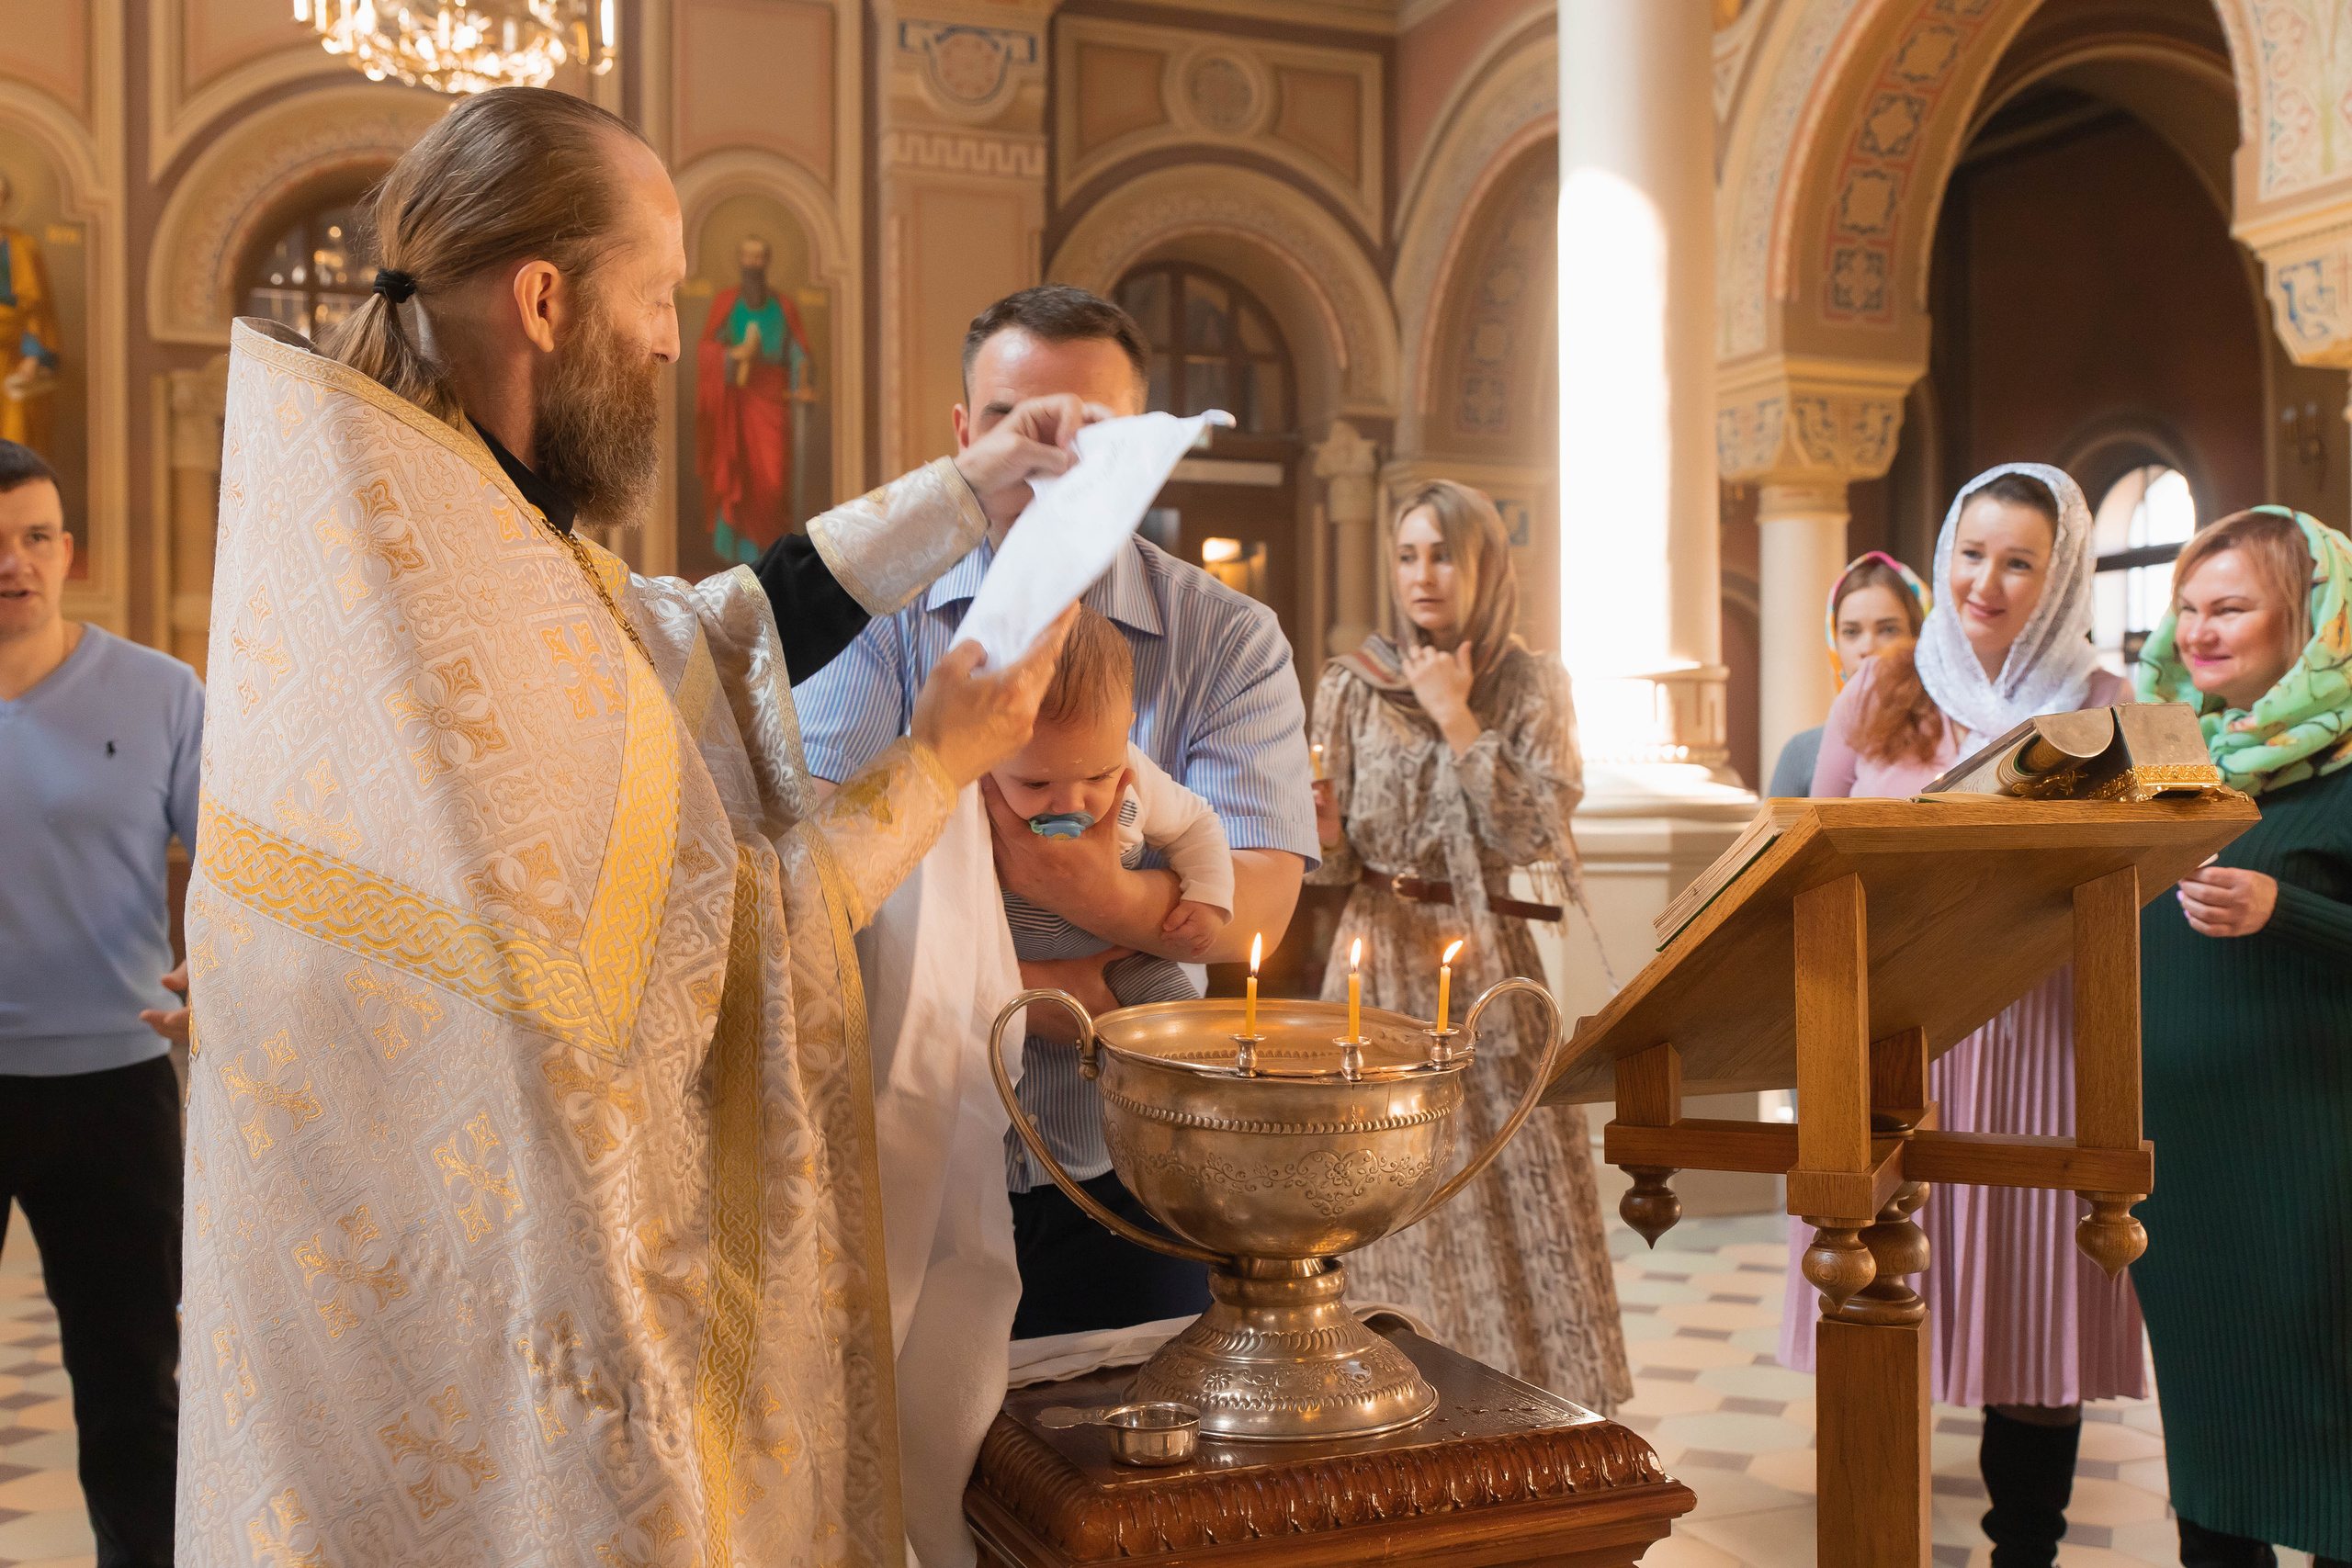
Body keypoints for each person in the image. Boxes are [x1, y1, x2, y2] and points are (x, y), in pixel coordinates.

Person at [178, 86, 1084, 1567]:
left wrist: (969, 490)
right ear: (545, 298)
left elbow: (701, 633)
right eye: (658, 293)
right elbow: (691, 955)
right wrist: (936, 762)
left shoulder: (451, 521)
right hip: (503, 1336)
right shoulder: (433, 576)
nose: (678, 339)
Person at [797, 284, 1317, 1337]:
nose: (1054, 461)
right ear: (965, 434)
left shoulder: (1227, 638)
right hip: (908, 1150)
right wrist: (1045, 985)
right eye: (1014, 424)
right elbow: (820, 883)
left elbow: (1257, 911)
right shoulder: (877, 618)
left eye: (1098, 437)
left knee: (1127, 1468)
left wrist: (1063, 881)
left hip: (1139, 1163)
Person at [1778, 464, 2137, 1566]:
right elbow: (1805, 861)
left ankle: (2021, 1548)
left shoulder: (2103, 702)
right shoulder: (1881, 688)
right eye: (1971, 552)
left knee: (2032, 1311)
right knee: (1878, 1297)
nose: (1986, 580)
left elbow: (2130, 870)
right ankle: (1874, 1537)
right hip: (1897, 1043)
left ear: (2059, 574)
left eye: (2019, 561)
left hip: (2040, 1047)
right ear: (1943, 557)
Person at [1305, 479, 1631, 1411]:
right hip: (1377, 961)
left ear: (1485, 565)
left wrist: (1456, 718)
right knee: (1376, 1189)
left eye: (1442, 554)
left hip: (1489, 969)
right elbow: (1330, 863)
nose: (1422, 575)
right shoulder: (1350, 684)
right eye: (1406, 555)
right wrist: (1311, 821)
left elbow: (1534, 831)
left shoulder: (1533, 684)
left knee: (1509, 1187)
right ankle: (1380, 1397)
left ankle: (1528, 1405)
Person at [2130, 507, 2352, 1568]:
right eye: (2187, 608)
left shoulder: (2348, 771)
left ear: (2307, 617)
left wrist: (2287, 911)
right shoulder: (2164, 769)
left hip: (2313, 1167)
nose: (2199, 632)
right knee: (2208, 1444)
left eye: (2231, 607)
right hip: (2180, 1170)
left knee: (2328, 1440)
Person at [0, 440, 191, 1568]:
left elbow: (236, 871)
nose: (12, 563)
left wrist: (212, 964)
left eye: (34, 536)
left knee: (130, 1395)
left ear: (68, 553)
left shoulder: (161, 694)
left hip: (114, 1093)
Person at [1765, 551, 1930, 795]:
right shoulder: (1802, 752)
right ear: (1835, 643)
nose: (1868, 648)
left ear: (1920, 635)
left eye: (1888, 630)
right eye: (1852, 632)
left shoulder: (1950, 734)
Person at [695, 234, 812, 563]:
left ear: (767, 262)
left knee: (773, 482)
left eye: (759, 257)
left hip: (773, 401)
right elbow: (707, 348)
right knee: (740, 478)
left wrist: (802, 379)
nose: (753, 264)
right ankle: (742, 559)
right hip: (737, 403)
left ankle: (770, 557)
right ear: (740, 260)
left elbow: (799, 351)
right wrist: (733, 355)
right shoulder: (727, 302)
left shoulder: (783, 305)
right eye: (747, 257)